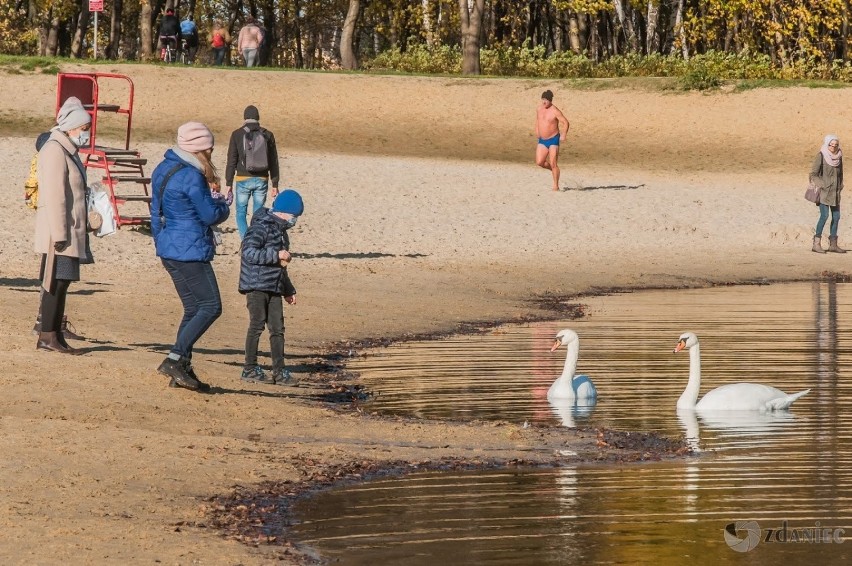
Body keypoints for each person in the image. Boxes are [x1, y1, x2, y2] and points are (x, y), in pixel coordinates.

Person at [150, 122, 230, 391]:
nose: (211, 153)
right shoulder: (192, 176)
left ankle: (182, 368)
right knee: (211, 306)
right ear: (200, 148)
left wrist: (159, 240)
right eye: (210, 148)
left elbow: (155, 211)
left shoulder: (162, 167)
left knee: (193, 308)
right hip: (189, 250)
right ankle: (174, 359)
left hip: (169, 247)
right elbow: (209, 215)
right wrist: (223, 204)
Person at [33, 97, 94, 355]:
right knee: (55, 283)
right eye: (84, 128)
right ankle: (47, 335)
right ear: (71, 127)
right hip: (59, 233)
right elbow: (55, 195)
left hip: (70, 229)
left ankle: (55, 334)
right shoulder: (55, 150)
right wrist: (59, 234)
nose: (86, 133)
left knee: (63, 282)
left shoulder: (67, 149)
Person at [238, 189, 304, 385]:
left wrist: (288, 290)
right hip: (255, 285)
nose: (294, 221)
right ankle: (249, 368)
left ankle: (280, 371)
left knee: (278, 329)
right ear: (283, 212)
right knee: (257, 326)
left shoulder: (281, 232)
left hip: (274, 286)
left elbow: (281, 268)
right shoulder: (260, 227)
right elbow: (248, 253)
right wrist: (276, 255)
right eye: (294, 216)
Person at [225, 105, 281, 238]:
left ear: (245, 118)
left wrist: (228, 183)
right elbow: (274, 161)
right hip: (262, 179)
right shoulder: (268, 134)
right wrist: (275, 184)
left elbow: (231, 160)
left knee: (240, 213)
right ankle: (254, 241)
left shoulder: (237, 134)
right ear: (258, 118)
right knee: (258, 215)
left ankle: (246, 241)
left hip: (242, 179)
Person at [811, 135, 846, 253]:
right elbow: (813, 174)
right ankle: (816, 244)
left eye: (836, 145)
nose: (834, 147)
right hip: (824, 193)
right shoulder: (821, 155)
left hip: (835, 193)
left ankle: (833, 245)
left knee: (836, 217)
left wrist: (840, 185)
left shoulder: (839, 156)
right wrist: (822, 184)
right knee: (824, 216)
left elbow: (841, 173)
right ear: (827, 144)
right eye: (832, 145)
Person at [535, 90, 570, 192]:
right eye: (543, 99)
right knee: (539, 162)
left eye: (546, 100)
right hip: (542, 140)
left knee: (554, 163)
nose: (544, 102)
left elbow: (566, 122)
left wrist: (563, 134)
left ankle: (556, 186)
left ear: (550, 100)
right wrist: (537, 130)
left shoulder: (555, 111)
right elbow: (537, 120)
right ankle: (553, 170)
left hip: (553, 139)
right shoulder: (539, 109)